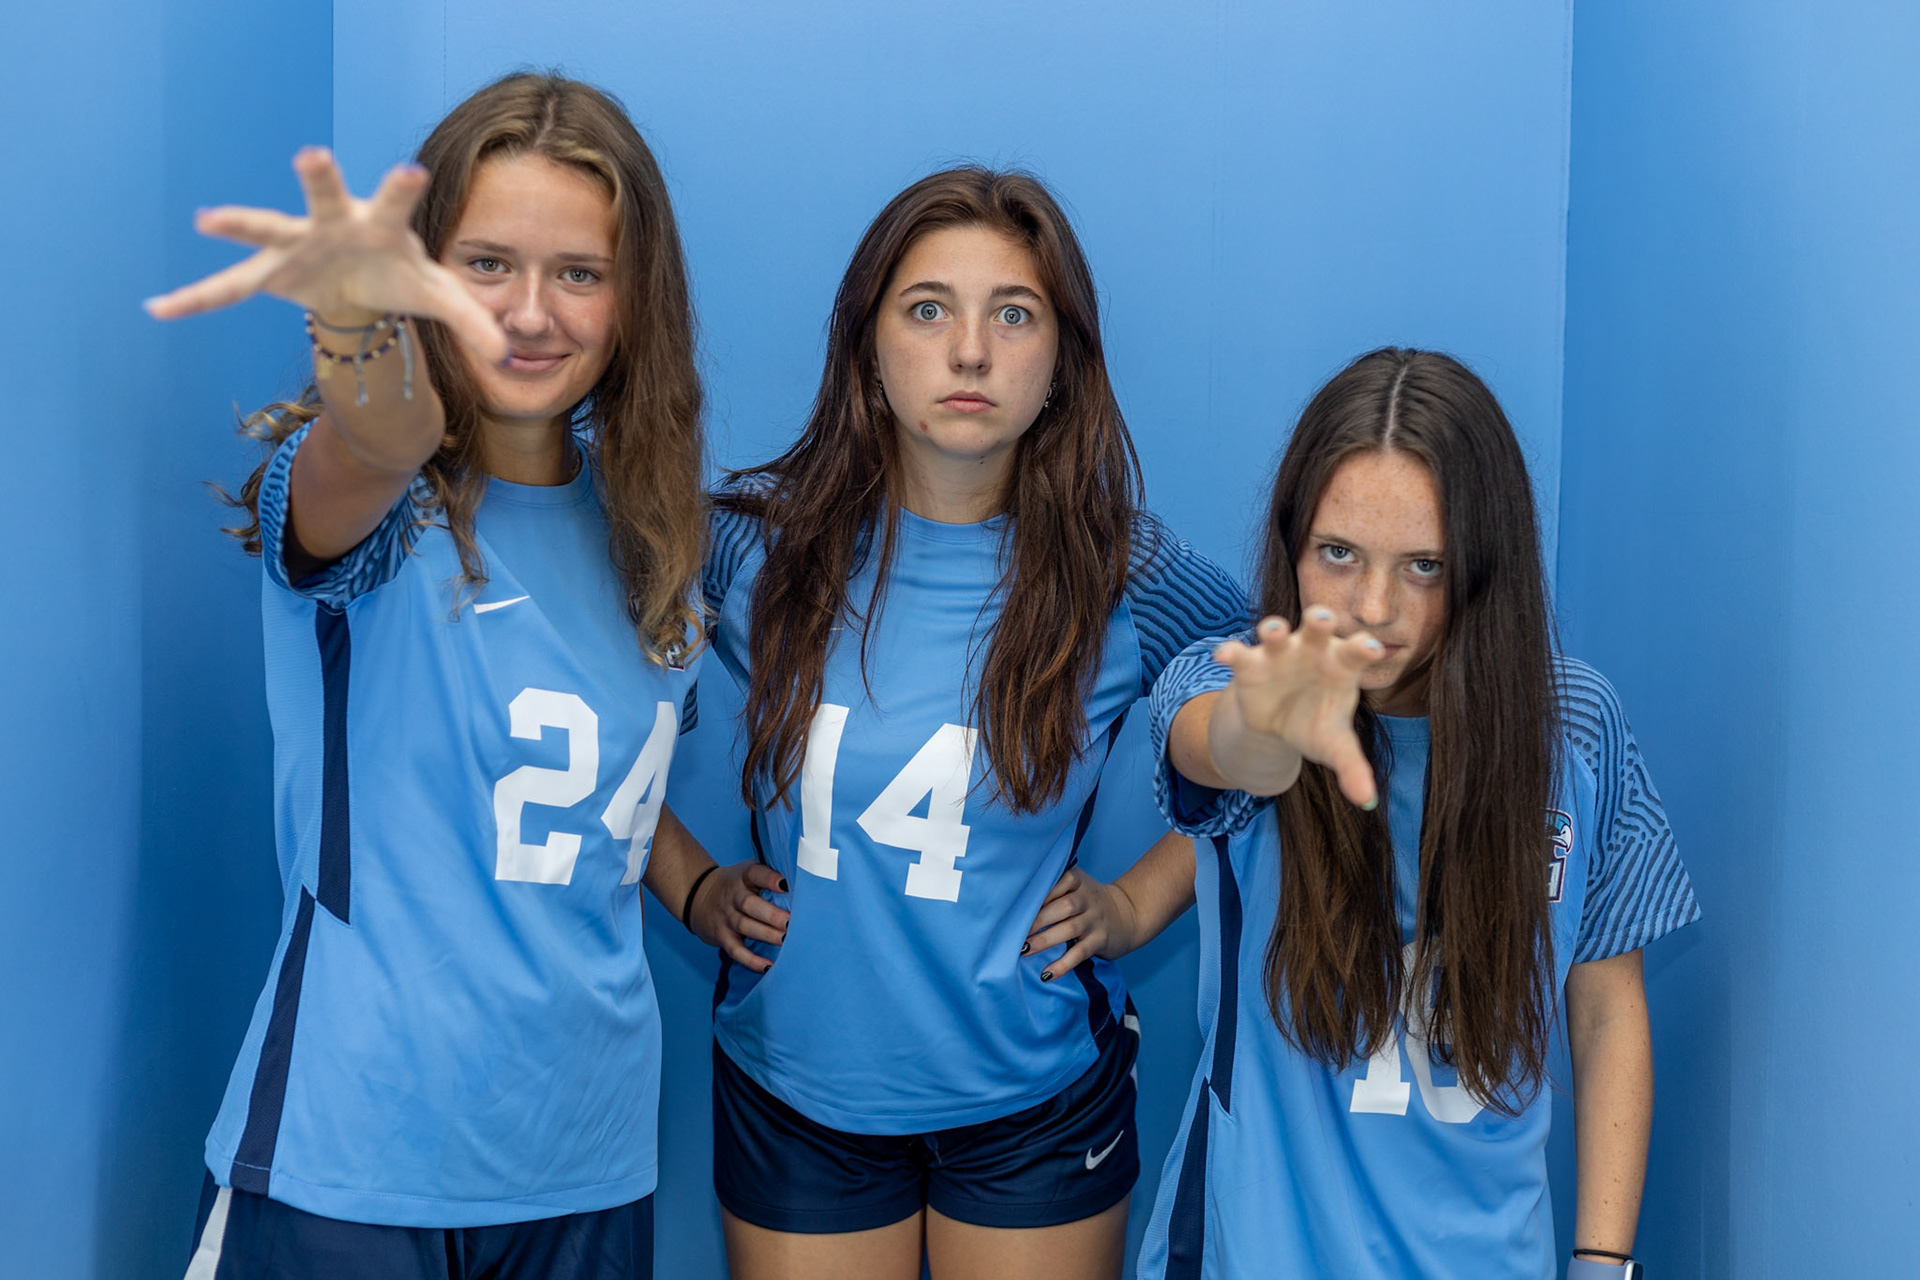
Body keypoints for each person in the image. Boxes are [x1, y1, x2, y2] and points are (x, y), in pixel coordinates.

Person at [145, 73, 750, 1280]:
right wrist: (367, 362)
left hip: (589, 1162)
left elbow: (583, 767)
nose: (530, 312)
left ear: (637, 302)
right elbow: (367, 450)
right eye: (484, 263)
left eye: (578, 272)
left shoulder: (664, 536)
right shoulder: (369, 500)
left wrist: (697, 886)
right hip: (351, 1164)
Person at [692, 167, 1248, 1280]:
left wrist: (1141, 898)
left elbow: (1285, 729)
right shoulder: (751, 548)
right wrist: (688, 884)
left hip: (1035, 1104)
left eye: (1014, 313)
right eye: (929, 308)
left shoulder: (1123, 573)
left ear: (1061, 364)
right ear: (868, 346)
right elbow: (563, 638)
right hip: (797, 1089)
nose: (971, 351)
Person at [1133, 348, 1699, 1280]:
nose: (1375, 608)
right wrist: (1266, 733)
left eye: (1425, 566)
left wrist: (1602, 1265)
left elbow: (1605, 1010)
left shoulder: (1578, 728)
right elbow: (1219, 747)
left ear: (1485, 568)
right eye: (1339, 554)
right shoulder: (1235, 674)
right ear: (1291, 545)